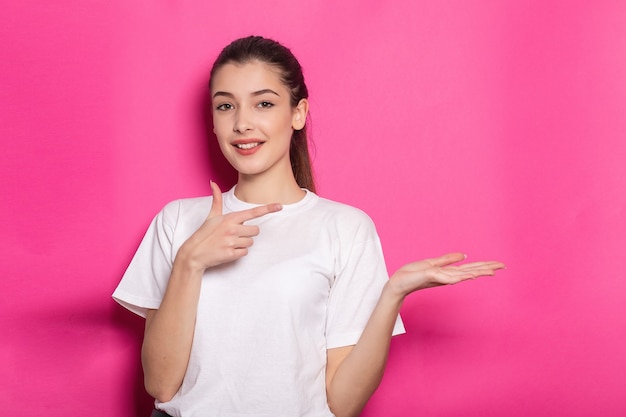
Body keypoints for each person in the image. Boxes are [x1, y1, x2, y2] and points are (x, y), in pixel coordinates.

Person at [113, 36, 505, 417]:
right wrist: (190, 262)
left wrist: (393, 294)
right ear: (213, 122)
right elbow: (161, 385)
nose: (242, 122)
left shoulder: (346, 227)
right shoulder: (177, 220)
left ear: (298, 113)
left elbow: (343, 404)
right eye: (225, 106)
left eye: (263, 103)